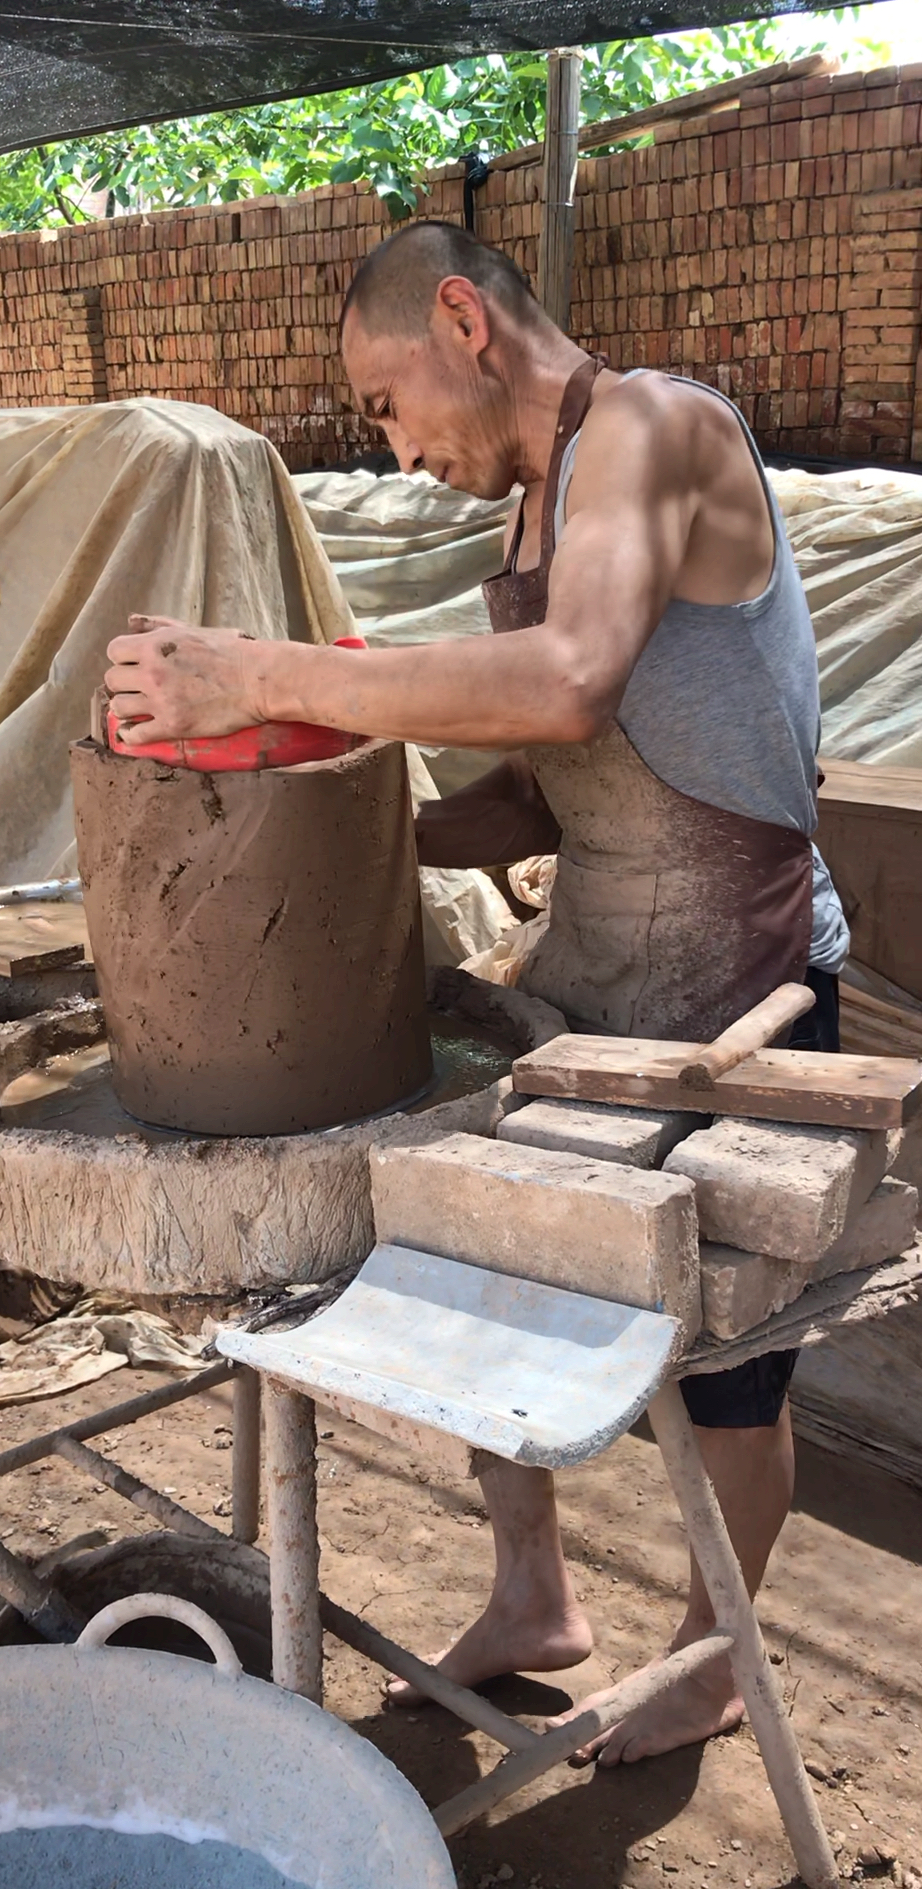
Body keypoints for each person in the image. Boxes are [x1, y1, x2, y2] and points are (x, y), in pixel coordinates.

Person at [105, 220, 849, 1765]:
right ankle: (532, 1598)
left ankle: (712, 1661)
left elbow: (572, 681)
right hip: (594, 973)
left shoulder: (657, 428)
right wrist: (319, 825)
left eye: (385, 406)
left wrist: (269, 676)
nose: (393, 448)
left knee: (724, 1365)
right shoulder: (534, 513)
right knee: (467, 1259)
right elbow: (539, 791)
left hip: (745, 988)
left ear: (463, 320)